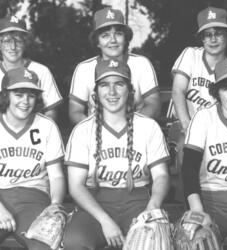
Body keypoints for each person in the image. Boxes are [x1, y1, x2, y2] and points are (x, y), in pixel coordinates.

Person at [64, 59, 170, 249]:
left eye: (119, 84)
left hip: (139, 203)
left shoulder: (148, 126)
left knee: (153, 243)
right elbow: (76, 187)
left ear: (130, 90)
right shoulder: (82, 130)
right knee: (75, 241)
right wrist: (105, 221)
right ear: (95, 93)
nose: (112, 92)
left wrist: (152, 206)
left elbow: (161, 175)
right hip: (95, 205)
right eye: (104, 85)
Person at [181, 56, 227, 243]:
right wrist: (197, 212)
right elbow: (188, 170)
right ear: (217, 91)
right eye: (226, 87)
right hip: (209, 202)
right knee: (194, 241)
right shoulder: (204, 118)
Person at [0, 67, 65, 249]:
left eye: (31, 95)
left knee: (43, 246)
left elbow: (56, 176)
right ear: (6, 96)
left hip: (33, 198)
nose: (25, 101)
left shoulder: (46, 126)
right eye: (18, 94)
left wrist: (55, 205)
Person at [68, 7, 161, 124]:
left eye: (118, 34)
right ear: (97, 42)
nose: (113, 40)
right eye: (105, 35)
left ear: (125, 38)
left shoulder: (141, 64)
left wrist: (129, 127)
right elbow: (75, 111)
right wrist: (95, 130)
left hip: (135, 131)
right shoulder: (84, 69)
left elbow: (153, 105)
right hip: (97, 134)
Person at [170, 6, 227, 178]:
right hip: (182, 123)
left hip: (214, 129)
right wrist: (187, 126)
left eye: (218, 33)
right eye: (207, 34)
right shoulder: (191, 55)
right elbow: (178, 91)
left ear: (226, 35)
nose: (213, 39)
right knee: (186, 149)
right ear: (201, 38)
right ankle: (187, 202)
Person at [0, 15, 63, 120]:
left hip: (34, 132)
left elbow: (50, 112)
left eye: (18, 40)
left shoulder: (41, 71)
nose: (13, 47)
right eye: (7, 41)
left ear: (25, 43)